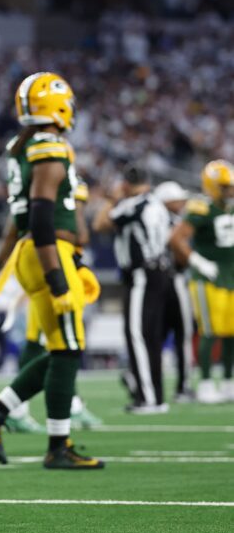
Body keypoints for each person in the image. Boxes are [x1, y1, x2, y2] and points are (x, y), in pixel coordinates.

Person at [0, 72, 104, 470]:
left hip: (35, 250)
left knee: (63, 349)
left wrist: (2, 258)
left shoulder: (23, 145)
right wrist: (58, 273)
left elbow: (21, 214)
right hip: (48, 250)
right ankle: (58, 446)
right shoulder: (49, 145)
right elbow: (42, 211)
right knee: (68, 349)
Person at [0, 176, 102, 431]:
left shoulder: (29, 182)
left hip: (29, 258)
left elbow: (12, 229)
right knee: (62, 343)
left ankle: (47, 406)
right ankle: (29, 410)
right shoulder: (64, 180)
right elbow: (80, 234)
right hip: (54, 261)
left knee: (53, 342)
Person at [94, 164, 171, 413]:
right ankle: (155, 396)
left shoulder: (134, 204)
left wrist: (113, 199)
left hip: (142, 274)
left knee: (137, 335)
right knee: (150, 337)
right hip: (159, 271)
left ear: (126, 184)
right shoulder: (156, 203)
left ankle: (147, 397)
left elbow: (100, 223)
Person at [169, 160, 234, 404]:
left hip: (230, 276)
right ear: (213, 186)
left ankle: (228, 382)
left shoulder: (229, 209)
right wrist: (198, 263)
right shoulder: (200, 208)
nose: (230, 191)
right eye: (226, 187)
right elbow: (177, 239)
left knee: (231, 333)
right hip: (207, 278)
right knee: (209, 331)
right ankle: (206, 383)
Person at [153, 181, 196, 402]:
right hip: (173, 280)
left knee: (155, 335)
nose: (182, 203)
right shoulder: (172, 221)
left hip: (155, 283)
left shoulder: (152, 218)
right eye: (177, 199)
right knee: (183, 333)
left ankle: (140, 377)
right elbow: (178, 252)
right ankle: (183, 386)